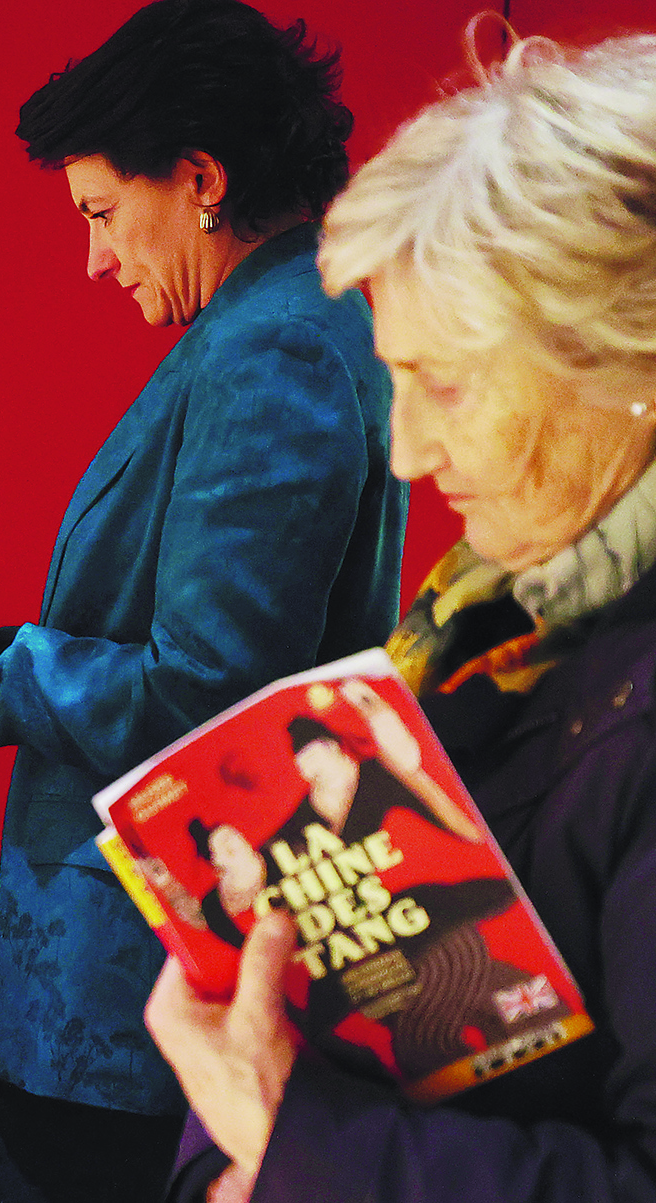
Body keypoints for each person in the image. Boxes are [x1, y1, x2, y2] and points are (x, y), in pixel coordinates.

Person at [0, 2, 406, 1198]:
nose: (94, 259)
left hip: (140, 987)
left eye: (101, 213)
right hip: (146, 978)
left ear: (201, 179)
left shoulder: (272, 346)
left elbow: (207, 694)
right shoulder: (274, 322)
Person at [146, 27, 656, 1203]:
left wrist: (292, 1142)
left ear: (625, 364)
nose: (409, 452)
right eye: (396, 381)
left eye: (448, 385)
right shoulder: (490, 618)